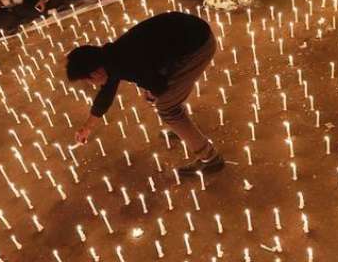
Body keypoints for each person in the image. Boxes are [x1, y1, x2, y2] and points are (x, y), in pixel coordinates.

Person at [66, 12, 223, 176]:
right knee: (166, 98)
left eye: (89, 80)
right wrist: (87, 128)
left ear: (96, 72)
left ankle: (210, 159)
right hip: (190, 36)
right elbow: (106, 96)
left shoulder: (125, 64)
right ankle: (184, 130)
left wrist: (151, 90)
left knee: (167, 108)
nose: (92, 84)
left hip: (197, 46)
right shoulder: (110, 57)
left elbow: (158, 85)